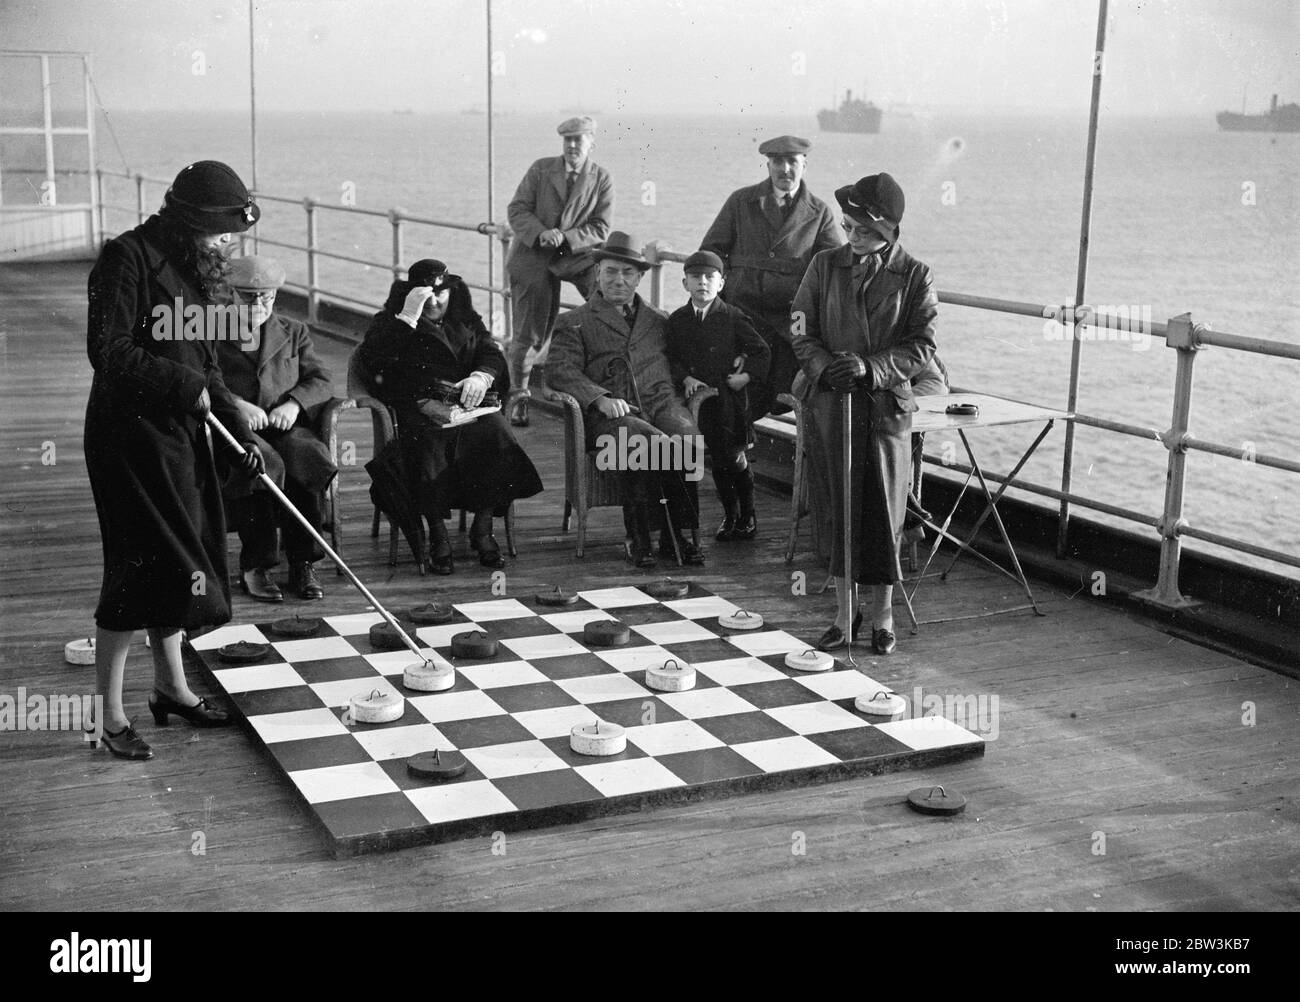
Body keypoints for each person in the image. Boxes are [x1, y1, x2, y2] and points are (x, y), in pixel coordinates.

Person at [84, 160, 265, 761]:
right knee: (136, 566)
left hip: (180, 432)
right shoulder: (126, 257)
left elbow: (207, 362)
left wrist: (240, 429)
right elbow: (107, 351)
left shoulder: (199, 268)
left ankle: (171, 688)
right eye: (221, 229)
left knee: (178, 558)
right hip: (127, 436)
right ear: (190, 219)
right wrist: (182, 386)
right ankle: (108, 718)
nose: (229, 242)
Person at [789, 173, 938, 656]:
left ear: (889, 233)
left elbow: (922, 346)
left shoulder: (916, 275)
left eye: (865, 232)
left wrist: (871, 368)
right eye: (849, 228)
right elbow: (799, 327)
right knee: (837, 509)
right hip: (832, 404)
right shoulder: (823, 265)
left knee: (883, 513)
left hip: (885, 412)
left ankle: (883, 616)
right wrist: (824, 368)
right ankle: (842, 614)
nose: (853, 239)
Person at [356, 258, 543, 574]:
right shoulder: (391, 322)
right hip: (419, 410)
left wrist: (480, 377)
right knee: (428, 446)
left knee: (497, 434)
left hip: (469, 406)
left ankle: (482, 529)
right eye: (424, 294)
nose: (433, 300)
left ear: (450, 292)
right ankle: (438, 536)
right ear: (411, 294)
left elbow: (492, 354)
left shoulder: (467, 320)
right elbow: (373, 363)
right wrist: (407, 317)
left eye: (439, 293)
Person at [548, 232, 704, 568]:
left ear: (640, 277)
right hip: (610, 419)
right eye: (611, 271)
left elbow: (683, 361)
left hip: (660, 406)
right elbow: (559, 371)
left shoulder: (659, 320)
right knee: (641, 441)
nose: (619, 280)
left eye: (628, 273)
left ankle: (677, 536)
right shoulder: (574, 321)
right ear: (598, 273)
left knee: (685, 439)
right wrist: (599, 397)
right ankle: (640, 537)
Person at [215, 255, 338, 602]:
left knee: (308, 458)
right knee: (262, 463)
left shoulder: (294, 331)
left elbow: (321, 379)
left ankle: (303, 562)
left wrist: (294, 403)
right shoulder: (209, 330)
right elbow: (201, 378)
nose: (259, 305)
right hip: (235, 429)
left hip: (283, 424)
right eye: (249, 297)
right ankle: (257, 565)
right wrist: (236, 404)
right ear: (231, 294)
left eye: (267, 298)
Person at [700, 135, 843, 418]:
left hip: (790, 320)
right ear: (768, 165)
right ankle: (734, 451)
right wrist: (727, 288)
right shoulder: (741, 202)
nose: (785, 169)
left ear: (805, 164)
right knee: (730, 383)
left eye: (792, 161)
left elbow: (833, 268)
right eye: (778, 161)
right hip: (743, 312)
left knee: (788, 386)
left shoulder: (819, 212)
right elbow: (711, 253)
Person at [505, 115, 614, 426]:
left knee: (607, 303)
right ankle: (520, 398)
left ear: (592, 141)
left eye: (579, 139)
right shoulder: (541, 169)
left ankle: (595, 388)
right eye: (568, 140)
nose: (572, 146)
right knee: (528, 333)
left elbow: (601, 227)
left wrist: (565, 237)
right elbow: (517, 209)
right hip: (533, 255)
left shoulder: (601, 178)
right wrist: (541, 233)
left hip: (575, 256)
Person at [665, 250, 770, 542]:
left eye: (710, 277)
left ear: (721, 283)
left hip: (728, 401)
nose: (703, 283)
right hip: (699, 401)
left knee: (734, 457)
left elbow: (762, 350)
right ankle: (730, 515)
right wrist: (684, 377)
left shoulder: (732, 316)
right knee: (718, 463)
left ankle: (748, 516)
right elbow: (670, 356)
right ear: (685, 283)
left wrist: (745, 376)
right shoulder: (678, 320)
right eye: (695, 277)